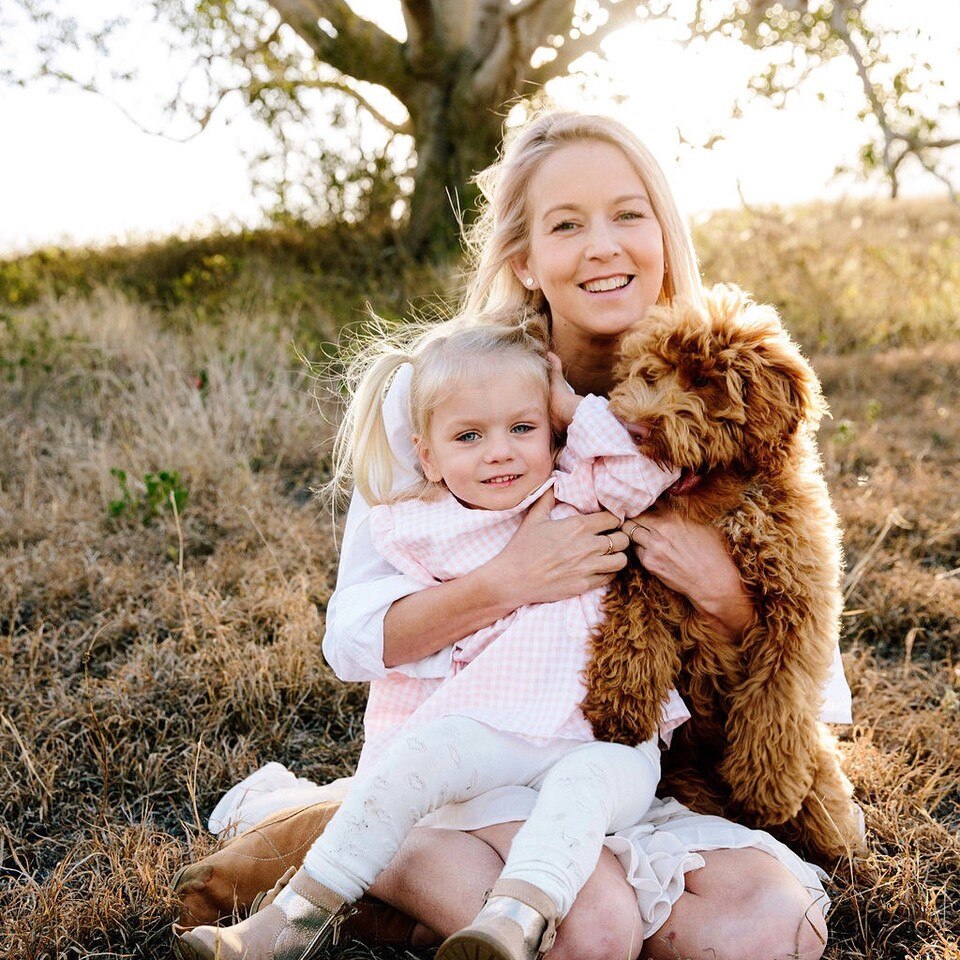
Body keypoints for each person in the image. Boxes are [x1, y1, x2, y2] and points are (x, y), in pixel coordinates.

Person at [184, 111, 852, 960]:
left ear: (664, 232)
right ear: (525, 259)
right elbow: (353, 640)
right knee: (583, 933)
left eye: (627, 214)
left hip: (636, 775)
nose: (603, 246)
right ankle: (372, 838)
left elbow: (817, 679)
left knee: (771, 930)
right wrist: (510, 578)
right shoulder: (456, 393)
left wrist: (721, 593)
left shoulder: (724, 386)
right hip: (481, 752)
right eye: (566, 225)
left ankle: (363, 843)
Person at [178, 313, 696, 960]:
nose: (500, 450)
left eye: (523, 428)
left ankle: (511, 923)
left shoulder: (582, 487)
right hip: (497, 728)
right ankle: (286, 925)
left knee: (584, 787)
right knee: (421, 755)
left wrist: (571, 406)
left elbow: (649, 468)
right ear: (427, 454)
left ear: (554, 432)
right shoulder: (425, 527)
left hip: (606, 739)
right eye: (469, 436)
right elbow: (381, 646)